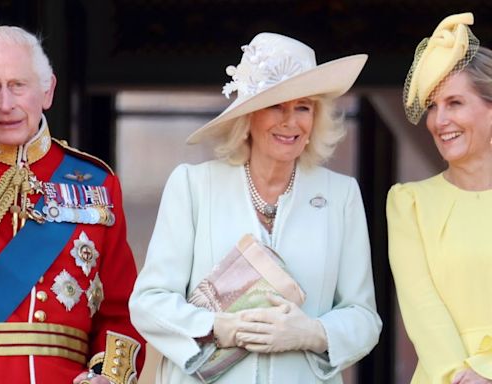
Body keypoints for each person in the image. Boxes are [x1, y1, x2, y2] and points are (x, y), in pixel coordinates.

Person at [129, 32, 382, 383]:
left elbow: (364, 316)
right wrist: (219, 327)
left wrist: (311, 332)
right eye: (276, 105)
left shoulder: (341, 195)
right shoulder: (193, 185)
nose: (290, 121)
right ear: (247, 116)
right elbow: (149, 303)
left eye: (303, 107)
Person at [0, 26, 145, 384]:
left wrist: (109, 378)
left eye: (18, 86)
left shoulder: (96, 182)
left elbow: (122, 310)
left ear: (47, 90)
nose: (5, 104)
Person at [387, 12, 492, 384]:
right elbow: (421, 306)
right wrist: (461, 376)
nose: (438, 119)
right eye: (432, 105)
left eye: (455, 103)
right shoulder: (408, 202)